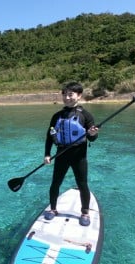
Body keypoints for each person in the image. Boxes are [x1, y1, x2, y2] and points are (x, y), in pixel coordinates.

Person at [43, 82, 99, 226]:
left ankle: (85, 212)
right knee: (55, 183)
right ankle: (53, 209)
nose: (67, 97)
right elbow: (50, 135)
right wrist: (47, 154)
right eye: (64, 94)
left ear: (79, 96)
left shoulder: (86, 116)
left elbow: (92, 137)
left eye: (70, 94)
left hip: (79, 156)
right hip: (61, 154)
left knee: (82, 184)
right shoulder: (56, 116)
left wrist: (93, 134)